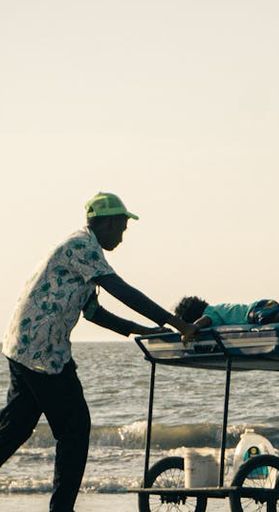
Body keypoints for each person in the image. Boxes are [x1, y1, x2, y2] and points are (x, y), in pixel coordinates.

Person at [0, 192, 199, 512]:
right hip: (41, 350)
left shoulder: (84, 254)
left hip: (25, 345)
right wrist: (177, 323)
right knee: (75, 429)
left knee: (16, 427)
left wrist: (142, 330)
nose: (122, 237)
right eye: (121, 228)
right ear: (106, 224)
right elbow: (122, 290)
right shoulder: (83, 247)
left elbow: (94, 313)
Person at [175, 296, 279, 329]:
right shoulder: (217, 308)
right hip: (264, 305)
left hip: (256, 312)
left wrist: (189, 329)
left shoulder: (210, 314)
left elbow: (201, 322)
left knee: (269, 320)